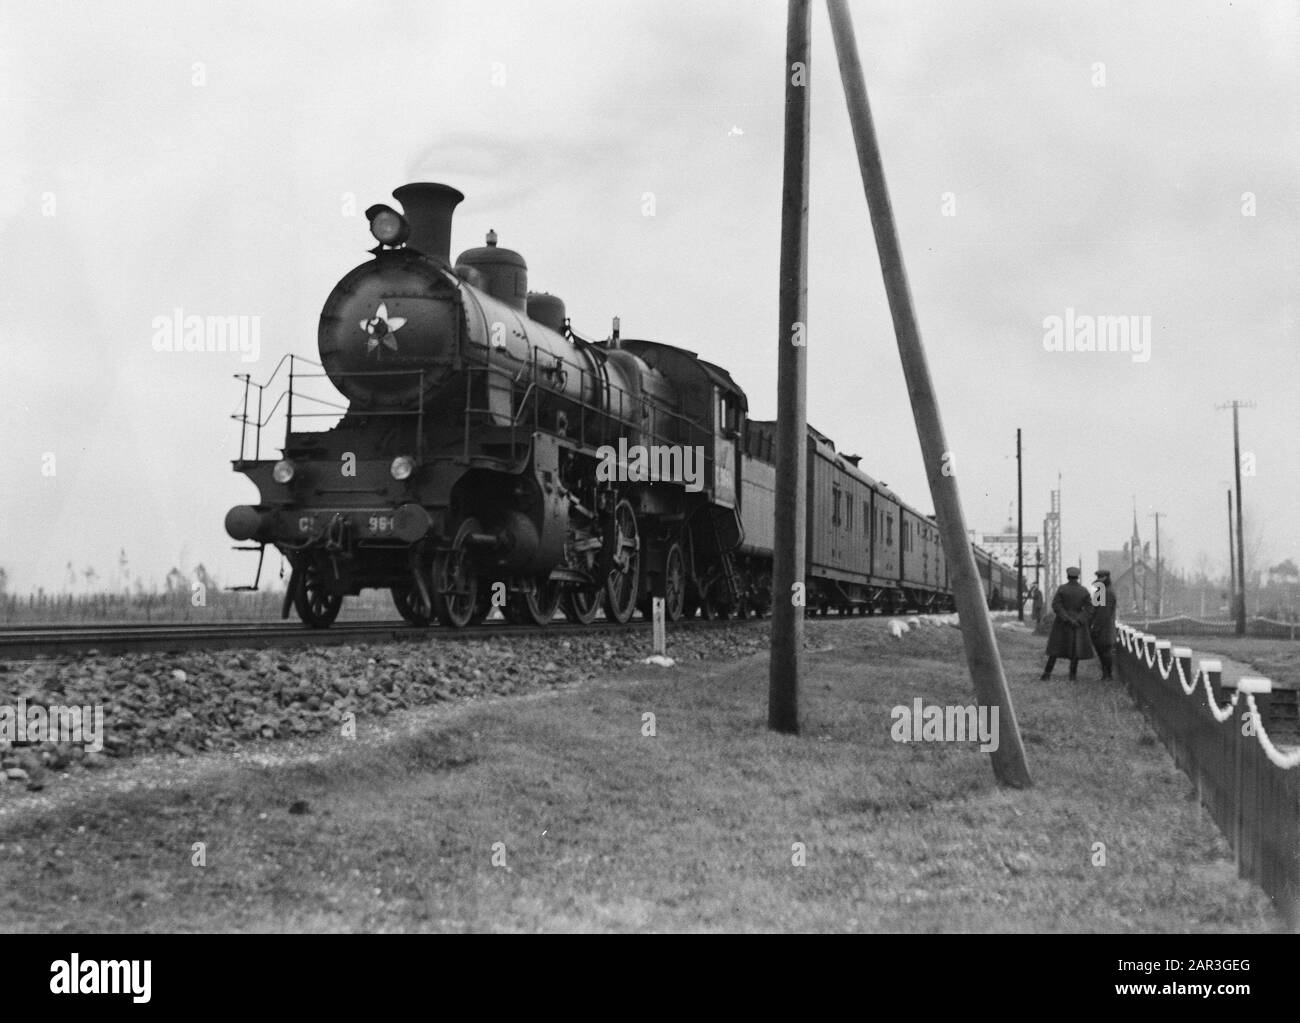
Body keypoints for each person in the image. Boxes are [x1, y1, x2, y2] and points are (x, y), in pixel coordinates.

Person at [1040, 567, 1095, 681]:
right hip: (1077, 625)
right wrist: (1079, 620)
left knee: (1055, 649)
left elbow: (1056, 605)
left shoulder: (1062, 589)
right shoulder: (1084, 590)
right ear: (1077, 577)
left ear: (1067, 576)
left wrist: (1066, 618)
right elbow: (1089, 608)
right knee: (1075, 649)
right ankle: (1072, 676)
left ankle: (1047, 674)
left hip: (1062, 623)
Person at [1089, 569, 1117, 680]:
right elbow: (1093, 608)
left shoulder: (1108, 592)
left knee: (1105, 651)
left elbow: (1104, 613)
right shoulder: (1101, 591)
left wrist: (1096, 627)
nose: (1098, 579)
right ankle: (1105, 674)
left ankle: (1108, 675)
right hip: (1099, 626)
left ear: (1106, 578)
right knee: (1101, 651)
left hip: (1104, 628)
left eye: (1100, 577)